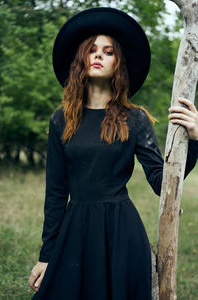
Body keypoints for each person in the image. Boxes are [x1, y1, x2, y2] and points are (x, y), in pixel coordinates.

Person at [28, 7, 198, 300]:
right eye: (92, 50)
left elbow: (163, 182)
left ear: (118, 63)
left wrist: (195, 139)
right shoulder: (61, 120)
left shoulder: (135, 119)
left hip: (121, 232)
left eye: (108, 52)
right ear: (81, 58)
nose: (98, 56)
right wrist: (46, 255)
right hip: (75, 230)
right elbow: (55, 193)